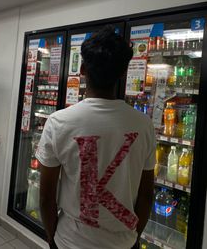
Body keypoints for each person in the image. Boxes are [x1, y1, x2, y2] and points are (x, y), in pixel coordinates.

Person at [36, 26, 156, 249]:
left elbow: (46, 197)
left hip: (70, 241)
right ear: (122, 74)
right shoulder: (144, 125)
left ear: (82, 69)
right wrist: (133, 237)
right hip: (124, 242)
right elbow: (146, 195)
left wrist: (52, 238)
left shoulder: (58, 122)